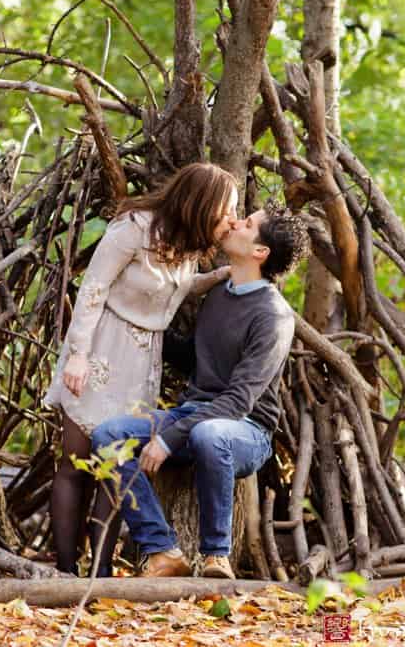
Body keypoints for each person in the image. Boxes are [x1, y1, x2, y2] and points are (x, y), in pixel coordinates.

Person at [89, 203, 309, 579]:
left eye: (248, 223)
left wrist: (171, 437)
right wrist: (131, 322)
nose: (236, 222)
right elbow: (196, 357)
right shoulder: (221, 293)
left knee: (211, 434)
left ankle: (215, 556)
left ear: (260, 252)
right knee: (108, 436)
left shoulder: (273, 316)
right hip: (194, 416)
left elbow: (239, 401)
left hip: (246, 431)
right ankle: (162, 551)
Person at [44, 163, 240, 576]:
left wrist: (217, 276)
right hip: (102, 346)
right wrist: (78, 355)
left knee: (113, 463)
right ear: (202, 203)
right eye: (226, 211)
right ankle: (65, 572)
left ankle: (98, 576)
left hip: (142, 359)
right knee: (76, 460)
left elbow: (176, 288)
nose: (231, 220)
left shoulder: (188, 243)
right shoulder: (134, 228)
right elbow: (93, 290)